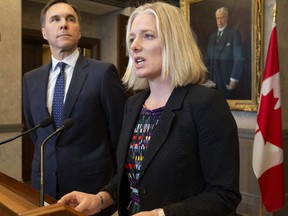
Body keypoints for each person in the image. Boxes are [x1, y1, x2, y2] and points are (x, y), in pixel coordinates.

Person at [58, 2, 241, 216]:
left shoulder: (206, 103)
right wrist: (100, 199)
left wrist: (161, 214)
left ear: (174, 43)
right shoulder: (133, 105)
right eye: (131, 38)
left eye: (147, 36)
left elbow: (224, 195)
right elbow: (131, 177)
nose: (134, 46)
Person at [22, 0, 126, 213]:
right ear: (44, 32)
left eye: (71, 19)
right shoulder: (30, 79)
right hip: (45, 187)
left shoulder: (103, 73)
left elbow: (119, 136)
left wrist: (114, 190)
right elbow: (37, 132)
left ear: (79, 31)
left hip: (91, 189)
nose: (63, 24)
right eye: (55, 19)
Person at [205, 7, 244, 99]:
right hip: (212, 81)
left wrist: (234, 78)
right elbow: (207, 58)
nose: (219, 21)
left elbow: (239, 58)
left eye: (221, 17)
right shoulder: (212, 37)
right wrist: (204, 77)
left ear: (226, 18)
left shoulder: (234, 33)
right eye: (217, 18)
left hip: (227, 79)